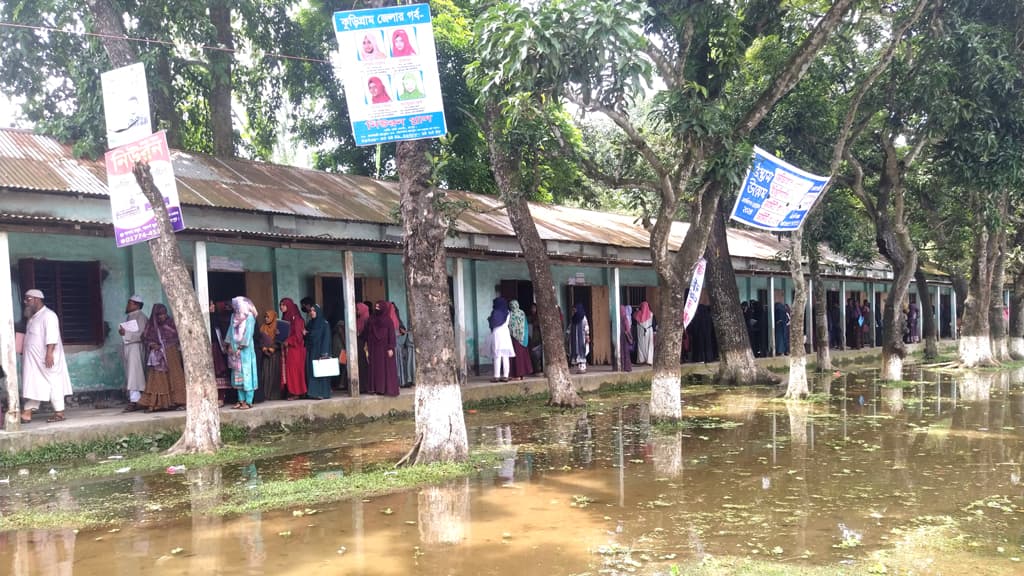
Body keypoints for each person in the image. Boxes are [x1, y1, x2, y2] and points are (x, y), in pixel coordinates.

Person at [19, 289, 72, 424]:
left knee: (53, 382)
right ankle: (27, 412)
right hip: (34, 360)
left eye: (28, 299)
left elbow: (52, 336)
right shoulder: (33, 317)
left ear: (37, 299)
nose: (26, 302)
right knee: (33, 383)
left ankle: (59, 412)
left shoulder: (49, 315)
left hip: (47, 358)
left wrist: (49, 354)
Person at [138, 303, 187, 413]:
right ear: (155, 315)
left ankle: (180, 402)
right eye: (159, 315)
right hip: (157, 355)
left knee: (175, 376)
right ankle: (156, 404)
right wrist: (152, 344)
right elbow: (145, 338)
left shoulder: (171, 324)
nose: (162, 317)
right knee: (157, 378)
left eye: (164, 314)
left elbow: (177, 337)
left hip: (171, 353)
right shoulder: (151, 326)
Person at [228, 297, 258, 410]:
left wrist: (242, 346)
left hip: (246, 351)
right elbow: (230, 330)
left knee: (247, 374)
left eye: (236, 305)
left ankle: (249, 401)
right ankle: (240, 400)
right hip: (235, 350)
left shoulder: (249, 317)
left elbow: (249, 333)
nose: (234, 307)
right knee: (237, 376)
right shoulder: (233, 317)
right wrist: (229, 344)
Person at [120, 295, 148, 412]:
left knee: (134, 373)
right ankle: (135, 399)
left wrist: (125, 334)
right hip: (129, 347)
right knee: (131, 372)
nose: (128, 305)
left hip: (136, 348)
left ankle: (135, 400)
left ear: (136, 305)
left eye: (130, 303)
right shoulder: (130, 316)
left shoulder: (141, 317)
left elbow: (142, 335)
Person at [367, 300, 399, 396]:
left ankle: (385, 389)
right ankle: (376, 388)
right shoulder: (372, 319)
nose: (376, 309)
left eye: (378, 307)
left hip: (385, 349)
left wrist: (390, 347)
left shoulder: (388, 320)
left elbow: (391, 335)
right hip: (374, 348)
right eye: (376, 307)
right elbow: (368, 332)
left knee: (386, 369)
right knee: (376, 369)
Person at [280, 298, 308, 400]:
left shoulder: (297, 319)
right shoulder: (285, 318)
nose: (281, 307)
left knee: (295, 371)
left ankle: (296, 392)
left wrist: (288, 341)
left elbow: (298, 336)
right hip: (288, 349)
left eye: (283, 305)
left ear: (289, 306)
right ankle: (291, 391)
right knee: (289, 371)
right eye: (280, 305)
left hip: (295, 349)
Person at [305, 303, 332, 400]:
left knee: (321, 372)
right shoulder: (310, 323)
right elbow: (308, 335)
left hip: (320, 350)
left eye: (314, 311)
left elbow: (326, 339)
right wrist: (306, 334)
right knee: (313, 371)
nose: (312, 312)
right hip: (312, 350)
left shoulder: (324, 324)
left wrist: (324, 353)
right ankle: (313, 393)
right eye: (311, 311)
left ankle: (322, 393)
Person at [256, 310, 282, 403]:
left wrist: (273, 348)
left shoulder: (277, 327)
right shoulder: (263, 327)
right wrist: (263, 347)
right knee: (266, 374)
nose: (266, 319)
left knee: (274, 374)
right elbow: (259, 338)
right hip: (265, 354)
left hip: (275, 355)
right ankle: (266, 394)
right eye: (265, 317)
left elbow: (280, 340)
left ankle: (274, 395)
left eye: (268, 317)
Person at [488, 297, 515, 382]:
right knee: (505, 356)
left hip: (497, 334)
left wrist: (489, 319)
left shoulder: (495, 312)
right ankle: (506, 376)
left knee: (497, 356)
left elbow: (492, 323)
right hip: (506, 334)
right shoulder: (508, 312)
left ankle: (496, 376)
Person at [508, 299, 533, 380]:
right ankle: (522, 375)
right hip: (523, 338)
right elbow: (525, 326)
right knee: (522, 357)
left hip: (514, 339)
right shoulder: (522, 313)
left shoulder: (510, 314)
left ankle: (516, 375)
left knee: (515, 356)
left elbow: (509, 327)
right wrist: (525, 337)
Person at [568, 302, 590, 374]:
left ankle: (583, 367)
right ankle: (579, 367)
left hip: (582, 338)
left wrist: (587, 335)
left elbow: (586, 326)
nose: (574, 311)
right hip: (574, 338)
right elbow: (570, 327)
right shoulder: (573, 318)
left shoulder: (583, 318)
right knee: (576, 351)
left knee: (582, 350)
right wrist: (567, 333)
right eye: (573, 310)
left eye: (575, 309)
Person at [356, 302, 371, 394]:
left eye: (358, 309)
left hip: (364, 347)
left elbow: (366, 334)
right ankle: (360, 387)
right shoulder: (358, 320)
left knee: (365, 366)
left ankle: (366, 386)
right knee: (359, 367)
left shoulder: (368, 320)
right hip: (358, 346)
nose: (356, 311)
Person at [331, 321, 348, 391]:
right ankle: (340, 384)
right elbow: (343, 344)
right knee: (341, 367)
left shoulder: (336, 335)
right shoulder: (339, 335)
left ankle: (340, 384)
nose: (340, 328)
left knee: (341, 368)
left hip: (339, 354)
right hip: (340, 353)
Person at [527, 303, 544, 375]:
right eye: (532, 308)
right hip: (532, 339)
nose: (533, 310)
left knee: (537, 355)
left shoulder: (539, 317)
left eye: (534, 308)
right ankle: (534, 369)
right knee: (533, 355)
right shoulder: (531, 317)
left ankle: (539, 369)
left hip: (538, 339)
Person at [620, 304, 633, 372]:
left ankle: (621, 367)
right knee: (626, 352)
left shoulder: (617, 318)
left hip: (619, 337)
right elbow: (628, 328)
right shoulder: (625, 318)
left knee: (620, 351)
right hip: (624, 337)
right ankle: (626, 367)